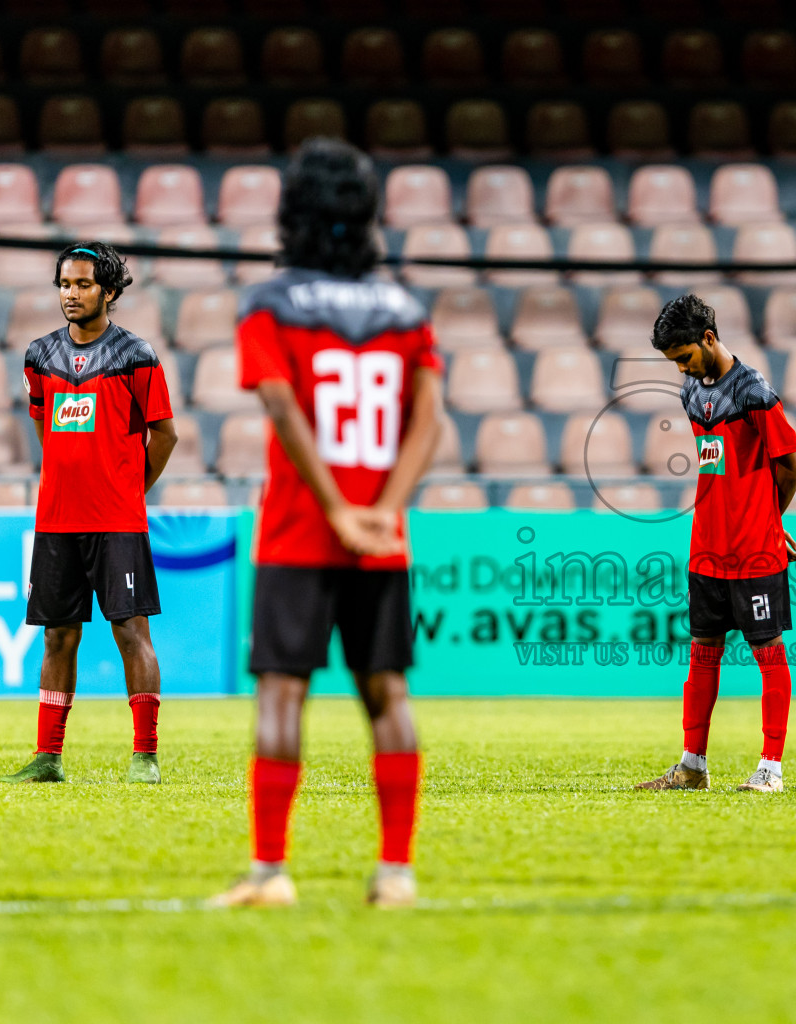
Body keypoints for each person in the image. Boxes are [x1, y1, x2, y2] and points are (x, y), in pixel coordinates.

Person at [213, 139, 444, 909]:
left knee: (282, 693)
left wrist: (336, 508)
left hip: (298, 530)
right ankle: (397, 872)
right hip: (381, 537)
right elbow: (428, 421)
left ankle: (271, 873)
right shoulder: (406, 310)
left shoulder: (272, 303)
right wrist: (385, 510)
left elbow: (281, 406)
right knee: (388, 693)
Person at [0, 242, 177, 785]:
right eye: (64, 285)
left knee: (131, 631)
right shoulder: (40, 357)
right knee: (57, 636)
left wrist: (130, 489)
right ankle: (48, 757)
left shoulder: (136, 355)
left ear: (110, 291)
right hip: (55, 519)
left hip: (117, 520)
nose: (70, 294)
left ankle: (145, 755)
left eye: (82, 285)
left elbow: (164, 434)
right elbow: (43, 425)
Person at [634, 294, 796, 794]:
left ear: (709, 339)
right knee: (702, 653)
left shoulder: (755, 393)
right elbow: (719, 465)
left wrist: (770, 520)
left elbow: (789, 466)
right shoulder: (692, 392)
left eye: (685, 356)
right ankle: (692, 765)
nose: (682, 368)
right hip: (707, 545)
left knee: (767, 652)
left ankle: (771, 768)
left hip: (754, 547)